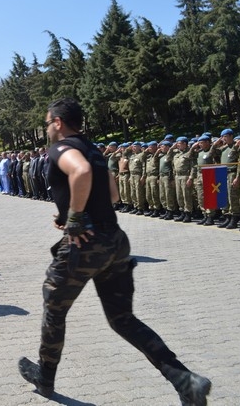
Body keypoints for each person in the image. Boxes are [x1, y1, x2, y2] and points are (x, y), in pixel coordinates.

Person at [17, 98, 210, 405]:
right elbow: (113, 193)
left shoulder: (61, 149)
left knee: (54, 310)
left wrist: (76, 218)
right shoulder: (94, 150)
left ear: (58, 123)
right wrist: (68, 212)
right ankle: (185, 380)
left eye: (47, 123)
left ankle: (46, 377)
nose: (46, 129)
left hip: (83, 247)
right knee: (123, 319)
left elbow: (79, 174)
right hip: (115, 241)